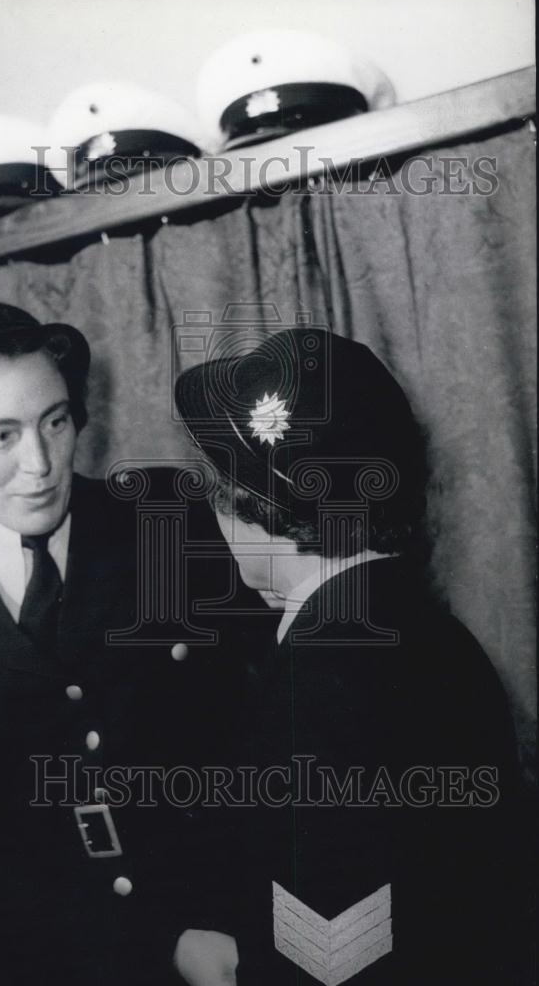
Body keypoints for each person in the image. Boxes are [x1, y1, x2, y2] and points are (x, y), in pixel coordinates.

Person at [0, 299, 248, 986]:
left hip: (231, 942)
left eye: (55, 421)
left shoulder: (167, 522)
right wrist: (155, 946)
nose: (40, 462)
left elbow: (267, 732)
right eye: (0, 436)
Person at [173, 325, 522, 985]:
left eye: (215, 486)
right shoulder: (434, 632)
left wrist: (225, 967)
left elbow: (330, 958)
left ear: (254, 503)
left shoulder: (314, 680)